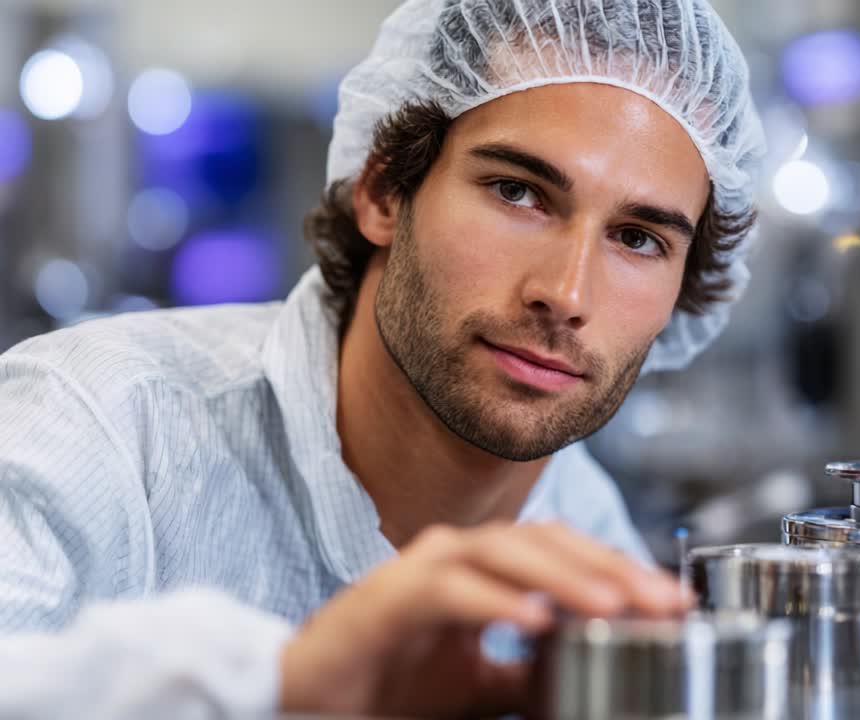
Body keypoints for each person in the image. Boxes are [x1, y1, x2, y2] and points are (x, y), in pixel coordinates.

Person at [0, 0, 765, 716]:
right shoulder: (97, 423)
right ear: (382, 192)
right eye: (518, 191)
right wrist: (287, 683)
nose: (566, 293)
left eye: (639, 239)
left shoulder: (584, 534)